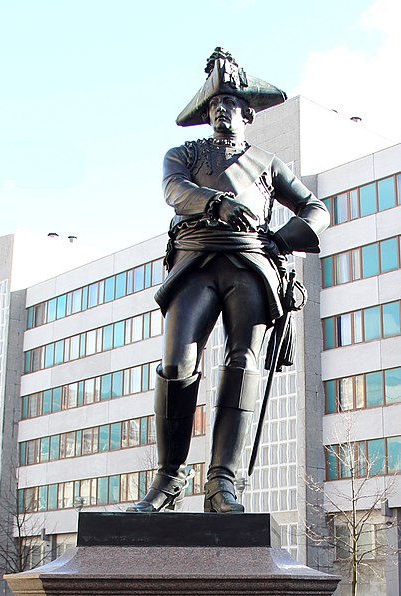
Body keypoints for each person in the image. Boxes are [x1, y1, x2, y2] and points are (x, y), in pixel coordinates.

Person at [130, 47, 330, 514]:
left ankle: (223, 482)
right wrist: (217, 204)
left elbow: (316, 210)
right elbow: (174, 191)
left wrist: (281, 241)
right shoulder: (182, 153)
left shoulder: (268, 163)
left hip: (251, 265)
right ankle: (169, 478)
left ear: (248, 113)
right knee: (177, 363)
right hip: (195, 261)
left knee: (242, 363)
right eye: (214, 106)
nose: (222, 111)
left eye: (231, 104)